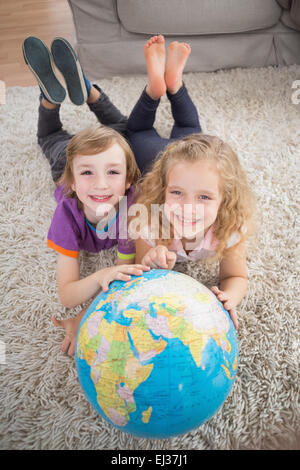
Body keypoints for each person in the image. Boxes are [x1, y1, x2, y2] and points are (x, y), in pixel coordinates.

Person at [23, 36, 150, 355]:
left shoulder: (133, 206)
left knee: (121, 131)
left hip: (88, 159)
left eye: (113, 173)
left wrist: (85, 312)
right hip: (66, 161)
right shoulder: (67, 211)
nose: (101, 185)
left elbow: (129, 268)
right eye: (88, 174)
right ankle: (55, 98)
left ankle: (83, 87)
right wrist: (103, 275)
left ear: (128, 181)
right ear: (74, 182)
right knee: (51, 138)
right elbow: (67, 295)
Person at [132, 134, 256, 330]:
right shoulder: (148, 223)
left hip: (181, 151)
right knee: (137, 134)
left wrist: (228, 297)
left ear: (225, 199)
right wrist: (152, 262)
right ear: (163, 189)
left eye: (204, 196)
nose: (188, 207)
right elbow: (140, 274)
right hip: (146, 150)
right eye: (177, 192)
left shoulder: (230, 227)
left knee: (188, 128)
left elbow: (236, 277)